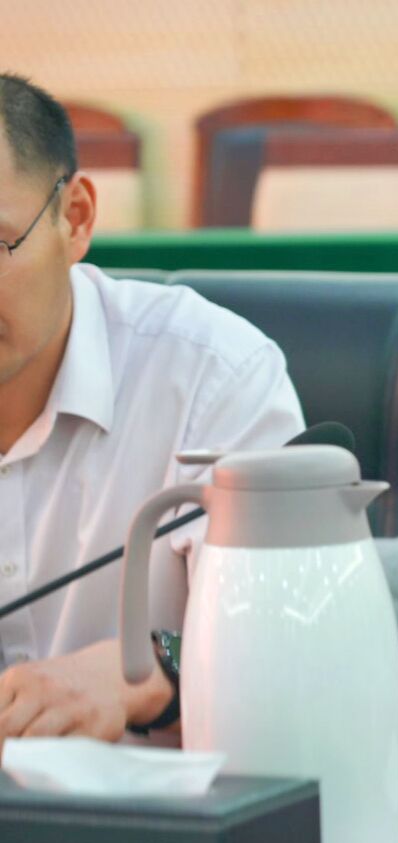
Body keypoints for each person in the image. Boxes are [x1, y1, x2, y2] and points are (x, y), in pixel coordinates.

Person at [0, 74, 303, 741]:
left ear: (75, 218)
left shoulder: (213, 377)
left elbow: (290, 642)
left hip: (167, 801)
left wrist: (144, 670)